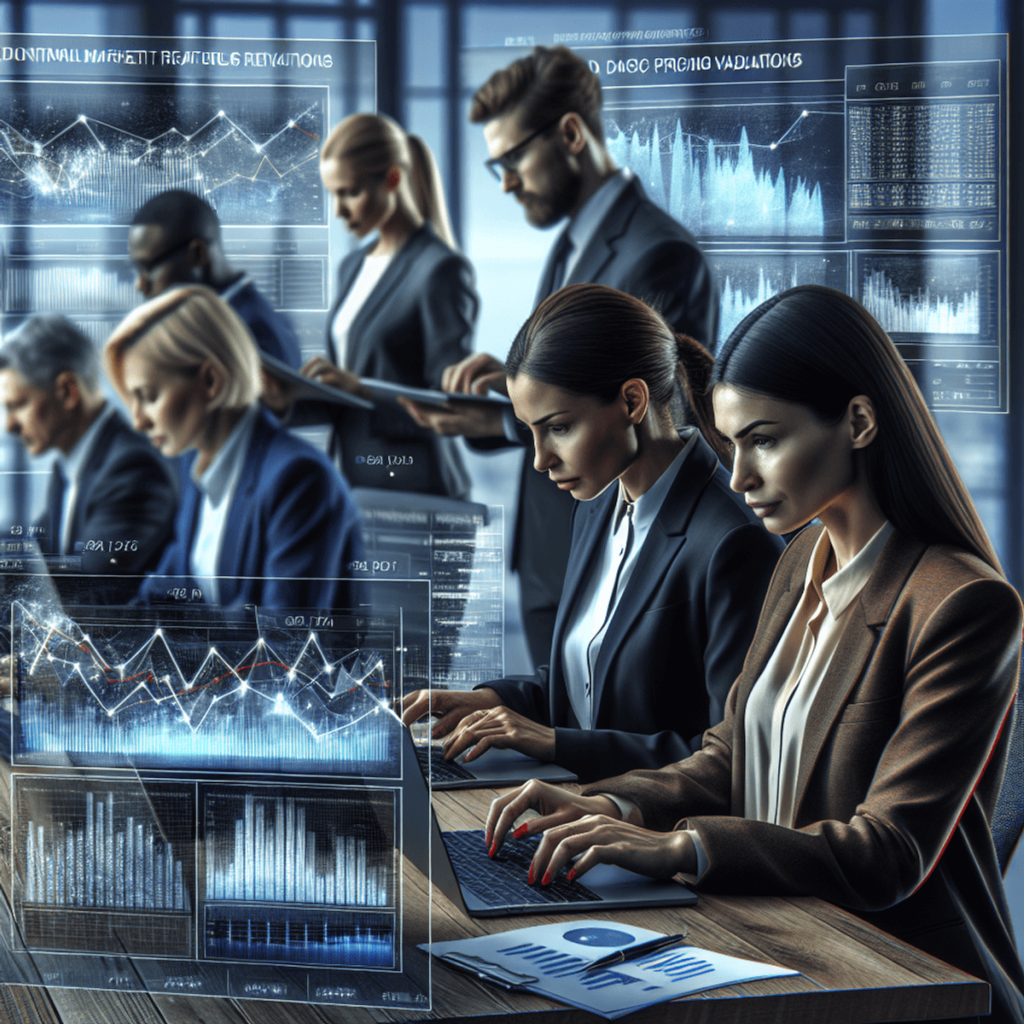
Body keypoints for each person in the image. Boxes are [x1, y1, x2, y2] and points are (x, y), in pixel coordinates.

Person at [484, 285, 1024, 1024]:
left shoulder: (962, 604)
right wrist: (611, 805)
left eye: (763, 441)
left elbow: (887, 851)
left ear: (859, 422)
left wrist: (680, 849)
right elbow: (728, 756)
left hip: (892, 977)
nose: (737, 477)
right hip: (767, 939)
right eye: (731, 444)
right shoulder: (801, 557)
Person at [402, 45, 717, 663]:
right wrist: (502, 407)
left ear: (570, 133)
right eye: (497, 167)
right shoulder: (572, 244)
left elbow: (658, 421)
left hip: (618, 557)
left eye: (513, 158)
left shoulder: (658, 254)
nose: (509, 181)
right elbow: (579, 389)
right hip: (557, 551)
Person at [401, 285, 781, 781]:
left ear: (631, 401)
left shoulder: (733, 541)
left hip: (651, 839)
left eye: (558, 428)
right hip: (573, 814)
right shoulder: (597, 506)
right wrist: (488, 700)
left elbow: (730, 759)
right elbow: (590, 683)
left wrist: (555, 743)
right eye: (530, 430)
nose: (540, 459)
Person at [104, 285, 363, 611]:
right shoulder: (197, 467)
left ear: (211, 381)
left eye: (150, 396)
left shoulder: (298, 478)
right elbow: (168, 589)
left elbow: (284, 643)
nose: (139, 422)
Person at [298, 112, 477, 497]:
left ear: (392, 179)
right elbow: (346, 397)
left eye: (349, 193)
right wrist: (292, 397)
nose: (338, 211)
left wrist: (361, 389)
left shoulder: (440, 270)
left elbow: (451, 407)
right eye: (333, 194)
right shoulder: (352, 268)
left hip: (417, 491)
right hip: (354, 486)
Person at [0, 314, 177, 579]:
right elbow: (31, 554)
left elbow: (86, 591)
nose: (9, 425)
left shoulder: (132, 469)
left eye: (18, 405)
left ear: (67, 391)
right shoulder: (68, 467)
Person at [128, 190, 302, 370]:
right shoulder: (232, 317)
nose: (140, 285)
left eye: (148, 268)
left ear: (196, 254)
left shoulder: (248, 334)